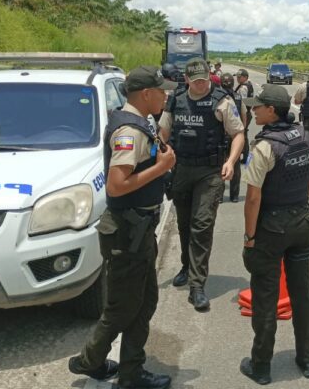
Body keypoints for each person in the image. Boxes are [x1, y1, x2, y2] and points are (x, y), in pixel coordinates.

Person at [69, 66, 177, 389]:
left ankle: (130, 371)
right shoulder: (129, 131)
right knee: (122, 308)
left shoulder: (141, 122)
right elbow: (117, 185)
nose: (166, 95)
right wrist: (161, 168)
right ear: (146, 94)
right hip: (128, 233)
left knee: (144, 302)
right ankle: (91, 360)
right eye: (161, 91)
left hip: (139, 230)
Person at [240, 84, 309, 385]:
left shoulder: (263, 147)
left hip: (271, 229)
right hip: (302, 220)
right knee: (303, 292)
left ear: (272, 111)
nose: (253, 110)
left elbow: (252, 198)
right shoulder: (305, 136)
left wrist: (249, 237)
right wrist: (301, 205)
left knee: (265, 297)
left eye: (258, 106)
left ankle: (261, 366)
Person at [159, 57, 245, 311]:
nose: (200, 85)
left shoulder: (222, 101)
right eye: (195, 81)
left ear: (209, 77)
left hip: (210, 171)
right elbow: (163, 133)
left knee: (201, 224)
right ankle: (187, 266)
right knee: (185, 224)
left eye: (204, 80)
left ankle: (197, 285)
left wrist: (231, 161)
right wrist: (161, 157)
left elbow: (238, 133)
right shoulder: (176, 100)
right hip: (182, 169)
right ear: (187, 80)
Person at [220, 72, 245, 203]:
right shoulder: (238, 96)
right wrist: (240, 132)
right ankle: (234, 195)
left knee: (220, 163)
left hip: (221, 135)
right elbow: (244, 115)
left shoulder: (217, 97)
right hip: (235, 135)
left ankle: (219, 196)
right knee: (234, 164)